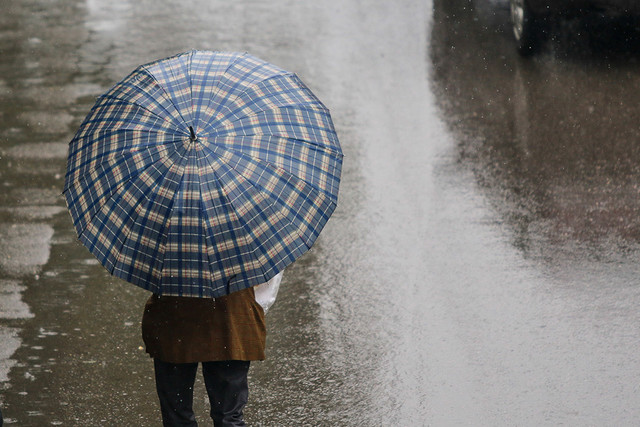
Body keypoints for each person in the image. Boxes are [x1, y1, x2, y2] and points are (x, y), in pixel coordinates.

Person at [142, 273, 282, 427]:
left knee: (177, 415)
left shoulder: (171, 251)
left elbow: (149, 272)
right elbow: (266, 282)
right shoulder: (240, 249)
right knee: (228, 416)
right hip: (230, 319)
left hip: (173, 319)